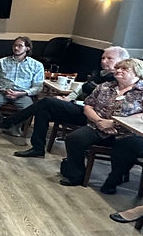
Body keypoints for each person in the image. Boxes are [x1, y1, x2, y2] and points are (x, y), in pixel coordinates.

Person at [9, 46, 129, 157]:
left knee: (46, 102)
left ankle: (10, 121)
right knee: (44, 110)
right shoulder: (99, 74)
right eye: (103, 58)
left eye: (109, 58)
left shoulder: (119, 80)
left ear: (123, 61)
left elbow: (99, 105)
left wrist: (74, 103)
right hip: (82, 109)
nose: (104, 61)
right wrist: (68, 99)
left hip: (94, 114)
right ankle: (37, 148)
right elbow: (80, 89)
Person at [59, 58, 143, 193]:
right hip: (98, 127)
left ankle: (113, 181)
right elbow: (88, 106)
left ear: (137, 73)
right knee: (74, 138)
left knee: (128, 148)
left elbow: (141, 115)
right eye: (118, 68)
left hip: (127, 132)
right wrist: (99, 121)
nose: (118, 71)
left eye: (124, 69)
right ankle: (76, 175)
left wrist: (114, 122)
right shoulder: (104, 86)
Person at [0, 36, 44, 134]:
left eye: (20, 46)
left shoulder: (37, 65)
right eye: (14, 45)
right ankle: (2, 124)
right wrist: (3, 90)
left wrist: (21, 93)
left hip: (22, 93)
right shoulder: (1, 62)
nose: (16, 48)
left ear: (27, 48)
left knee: (28, 108)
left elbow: (38, 87)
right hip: (2, 91)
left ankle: (14, 126)